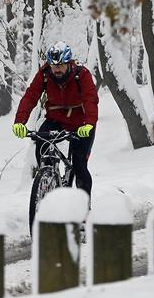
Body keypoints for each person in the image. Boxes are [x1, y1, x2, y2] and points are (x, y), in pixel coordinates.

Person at [12, 40, 99, 201]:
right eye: (54, 66)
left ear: (68, 63)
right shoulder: (45, 73)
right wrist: (19, 121)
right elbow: (31, 96)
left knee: (80, 166)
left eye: (60, 66)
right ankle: (49, 179)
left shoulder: (82, 75)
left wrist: (89, 124)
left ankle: (83, 210)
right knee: (41, 146)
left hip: (81, 123)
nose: (56, 69)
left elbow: (90, 100)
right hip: (55, 119)